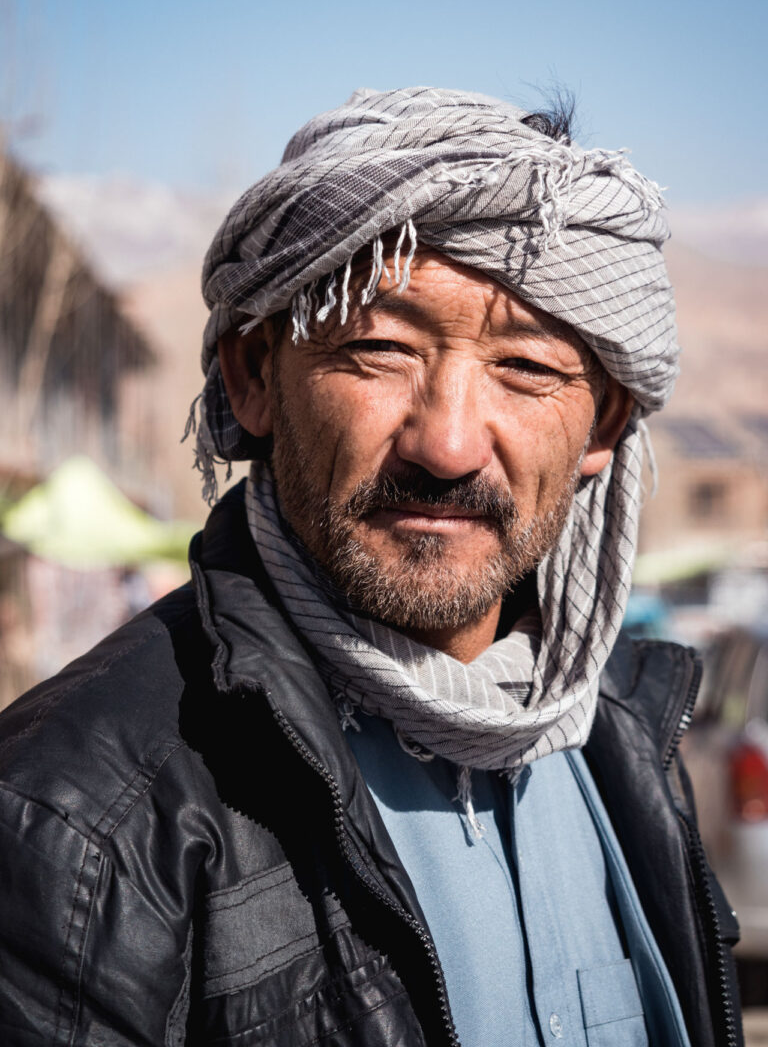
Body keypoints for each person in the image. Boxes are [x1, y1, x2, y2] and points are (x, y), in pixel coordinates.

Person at [0, 87, 743, 1047]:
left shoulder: (625, 738)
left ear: (602, 424)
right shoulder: (78, 824)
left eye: (526, 368)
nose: (447, 443)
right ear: (255, 378)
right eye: (379, 350)